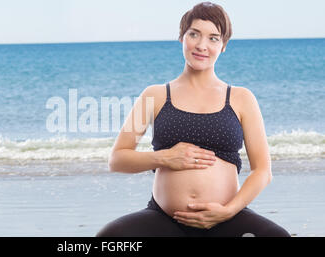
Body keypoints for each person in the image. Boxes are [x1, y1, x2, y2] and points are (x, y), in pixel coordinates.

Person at [96, 2, 290, 237]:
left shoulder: (241, 98)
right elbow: (117, 160)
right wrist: (164, 157)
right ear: (182, 37)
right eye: (194, 34)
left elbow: (263, 171)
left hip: (225, 218)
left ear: (224, 46)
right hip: (164, 219)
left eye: (213, 38)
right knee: (110, 237)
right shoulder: (155, 95)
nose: (201, 45)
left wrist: (228, 211)